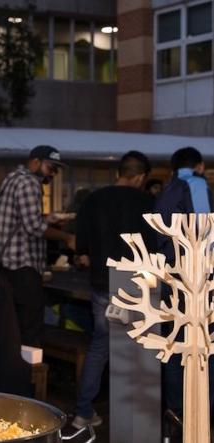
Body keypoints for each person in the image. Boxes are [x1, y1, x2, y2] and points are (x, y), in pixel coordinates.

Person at [72, 151, 154, 429]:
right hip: (138, 284)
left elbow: (80, 246)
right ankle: (134, 420)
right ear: (141, 177)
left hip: (103, 283)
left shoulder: (94, 199)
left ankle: (83, 412)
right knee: (138, 349)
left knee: (100, 346)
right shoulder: (149, 202)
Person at [0, 145, 75, 347]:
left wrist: (49, 219)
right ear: (35, 162)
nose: (53, 174)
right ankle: (29, 373)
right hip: (23, 266)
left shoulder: (13, 178)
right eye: (51, 167)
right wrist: (66, 237)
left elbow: (20, 218)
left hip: (5, 264)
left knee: (11, 327)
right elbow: (34, 227)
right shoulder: (29, 183)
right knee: (29, 328)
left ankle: (12, 371)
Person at [155, 146, 214, 414]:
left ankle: (176, 409)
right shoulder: (195, 183)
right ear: (199, 166)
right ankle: (201, 411)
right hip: (195, 279)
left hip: (171, 277)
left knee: (175, 343)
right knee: (203, 346)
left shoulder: (167, 190)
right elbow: (203, 232)